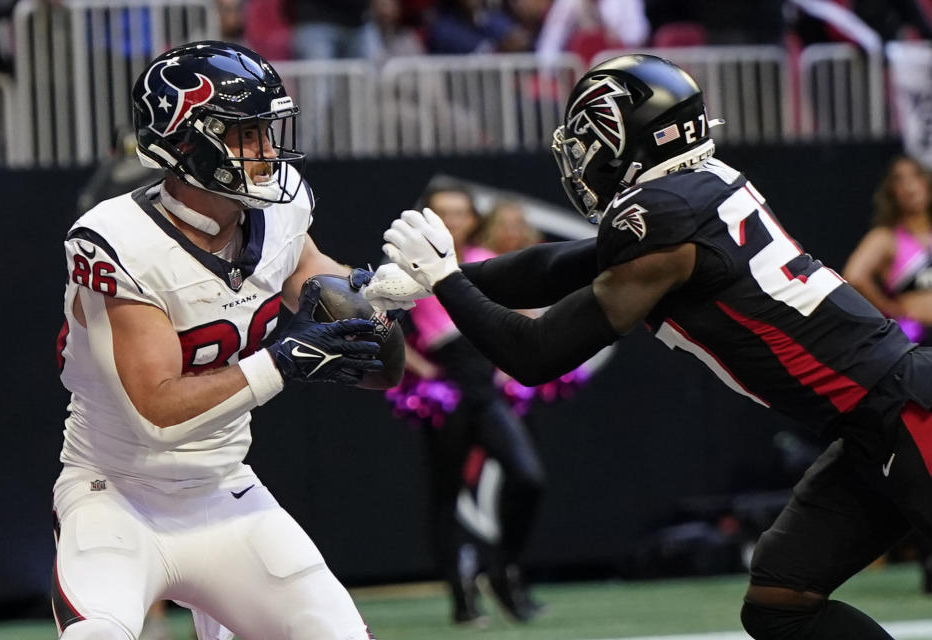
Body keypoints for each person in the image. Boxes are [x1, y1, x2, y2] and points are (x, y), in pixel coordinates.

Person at [368, 53, 932, 639]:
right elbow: (559, 263)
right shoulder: (697, 189)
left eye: (587, 141)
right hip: (873, 422)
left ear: (624, 138)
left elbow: (535, 353)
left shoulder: (662, 215)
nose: (581, 158)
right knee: (782, 599)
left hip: (907, 412)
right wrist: (428, 280)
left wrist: (446, 282)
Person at [51, 40, 400, 640]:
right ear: (185, 141)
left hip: (223, 489)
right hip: (117, 494)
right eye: (245, 134)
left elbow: (358, 335)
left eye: (267, 131)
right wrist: (281, 363)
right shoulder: (118, 238)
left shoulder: (280, 211)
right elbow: (157, 412)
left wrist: (393, 295)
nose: (267, 152)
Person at [388, 183, 546, 626]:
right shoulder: (407, 264)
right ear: (428, 217)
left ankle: (502, 569)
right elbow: (380, 319)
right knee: (445, 495)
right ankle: (462, 600)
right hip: (447, 386)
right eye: (443, 213)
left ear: (473, 219)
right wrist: (419, 367)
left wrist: (512, 361)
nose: (453, 221)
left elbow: (522, 312)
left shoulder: (482, 258)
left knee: (528, 477)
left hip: (485, 384)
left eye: (460, 213)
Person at [844, 156, 932, 345]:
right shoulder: (886, 238)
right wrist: (890, 310)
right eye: (899, 180)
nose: (909, 187)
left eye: (916, 177)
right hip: (918, 340)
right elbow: (854, 276)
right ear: (892, 192)